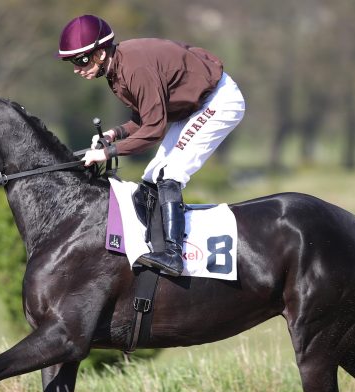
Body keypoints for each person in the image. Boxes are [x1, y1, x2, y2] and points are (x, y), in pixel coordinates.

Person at [58, 14, 246, 277]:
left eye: (81, 60)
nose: (77, 68)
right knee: (150, 178)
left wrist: (106, 153)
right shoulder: (116, 69)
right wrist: (114, 134)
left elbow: (154, 131)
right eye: (72, 63)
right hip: (191, 108)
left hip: (217, 101)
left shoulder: (133, 69)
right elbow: (146, 117)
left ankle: (174, 255)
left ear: (100, 53)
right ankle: (154, 246)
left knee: (169, 175)